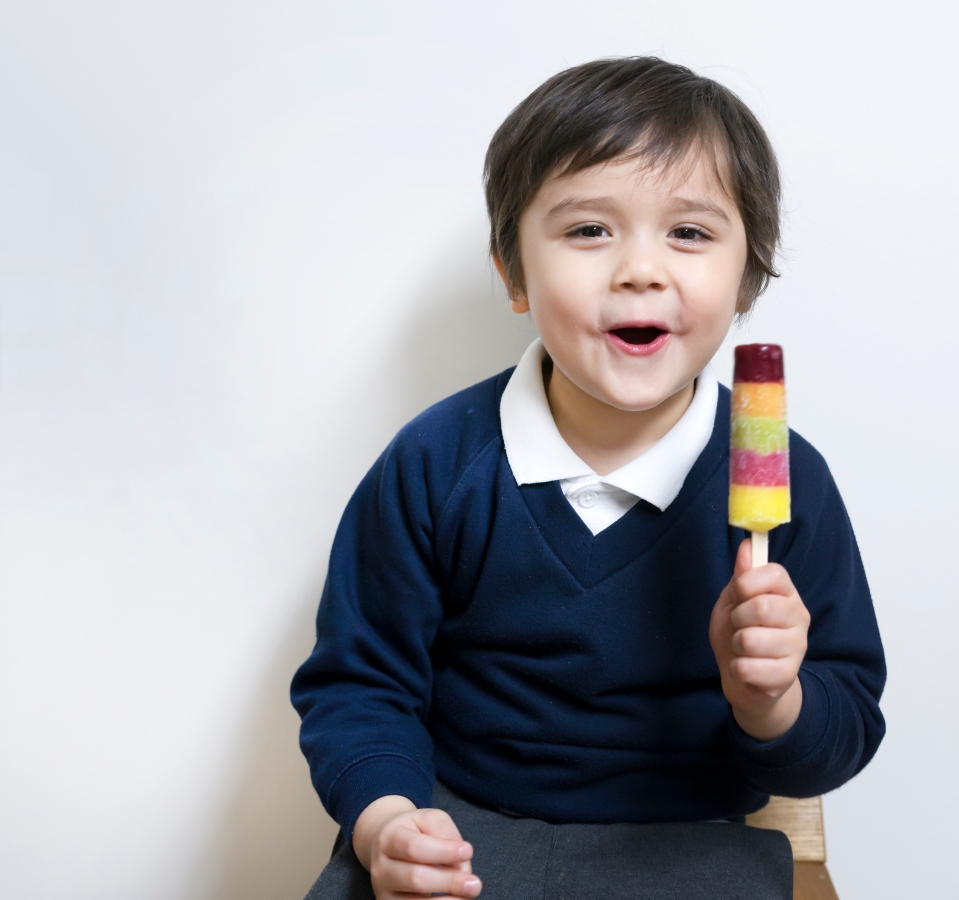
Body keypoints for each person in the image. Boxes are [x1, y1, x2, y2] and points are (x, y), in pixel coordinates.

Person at [291, 57, 885, 900]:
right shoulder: (434, 464)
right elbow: (360, 684)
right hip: (458, 827)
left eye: (688, 232)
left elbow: (843, 728)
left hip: (689, 847)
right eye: (587, 231)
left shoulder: (790, 481)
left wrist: (772, 700)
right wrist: (387, 823)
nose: (640, 269)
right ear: (511, 271)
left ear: (747, 276)